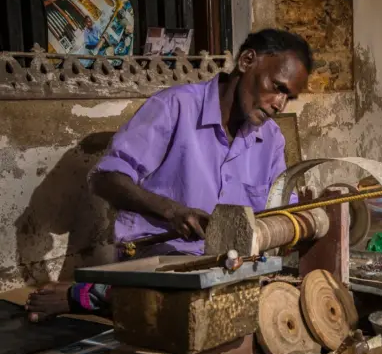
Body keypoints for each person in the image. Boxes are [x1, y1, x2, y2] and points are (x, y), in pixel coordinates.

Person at [26, 29, 312, 322]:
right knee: (198, 308)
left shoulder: (271, 139)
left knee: (289, 300)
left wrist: (307, 215)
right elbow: (106, 178)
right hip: (161, 260)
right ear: (247, 61)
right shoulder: (174, 107)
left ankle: (112, 296)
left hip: (228, 266)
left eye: (288, 96)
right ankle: (93, 295)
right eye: (277, 87)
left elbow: (280, 205)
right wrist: (170, 211)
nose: (280, 104)